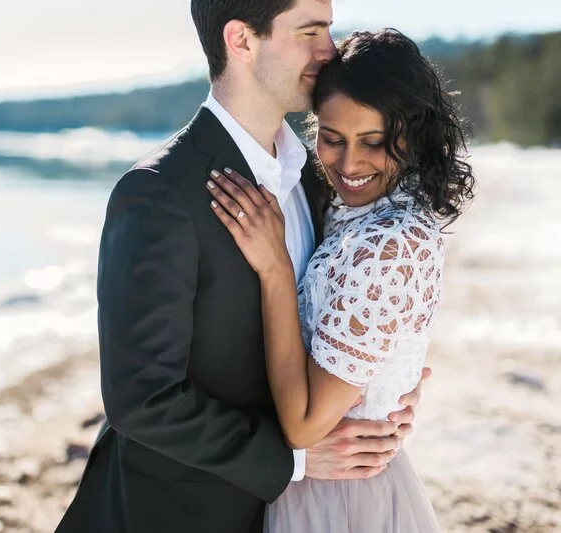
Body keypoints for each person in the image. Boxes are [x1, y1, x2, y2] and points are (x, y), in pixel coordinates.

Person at [56, 2, 430, 533]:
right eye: (310, 31)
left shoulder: (316, 178)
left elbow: (350, 313)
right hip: (176, 514)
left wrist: (382, 394)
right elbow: (141, 400)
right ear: (242, 40)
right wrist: (294, 462)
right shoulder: (159, 192)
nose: (329, 50)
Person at [206, 29, 475, 532]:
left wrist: (276, 272)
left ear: (411, 136)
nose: (348, 165)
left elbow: (305, 426)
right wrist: (396, 385)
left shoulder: (390, 244)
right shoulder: (354, 210)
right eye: (331, 139)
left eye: (373, 143)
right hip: (330, 482)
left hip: (340, 498)